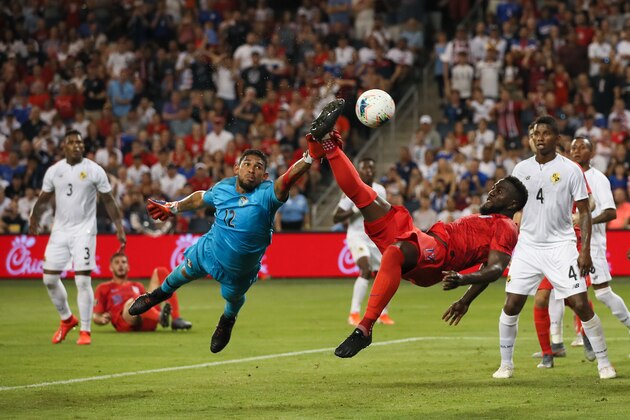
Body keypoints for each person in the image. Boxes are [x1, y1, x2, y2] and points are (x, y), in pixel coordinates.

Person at [127, 99, 346, 353]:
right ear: (236, 168)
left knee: (232, 300)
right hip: (208, 250)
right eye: (247, 164)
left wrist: (309, 158)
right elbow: (201, 197)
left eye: (258, 167)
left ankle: (227, 320)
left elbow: (287, 179)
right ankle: (155, 297)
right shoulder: (223, 187)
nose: (252, 170)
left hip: (239, 270)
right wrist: (173, 207)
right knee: (177, 277)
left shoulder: (267, 194)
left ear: (264, 175)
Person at [309, 130, 528, 359]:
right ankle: (329, 147)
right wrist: (465, 301)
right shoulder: (489, 219)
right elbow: (488, 268)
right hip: (426, 239)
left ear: (512, 203)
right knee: (364, 195)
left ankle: (364, 327)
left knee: (395, 251)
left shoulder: (506, 226)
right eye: (494, 187)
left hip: (438, 254)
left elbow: (494, 269)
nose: (492, 191)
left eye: (499, 191)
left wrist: (464, 280)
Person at [496, 115, 616, 380]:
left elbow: (584, 211)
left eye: (546, 133)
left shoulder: (571, 169)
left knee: (581, 304)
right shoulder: (520, 169)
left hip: (561, 246)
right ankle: (506, 364)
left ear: (556, 139)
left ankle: (604, 362)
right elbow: (514, 210)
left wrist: (583, 251)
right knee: (512, 304)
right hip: (528, 246)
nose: (540, 138)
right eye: (535, 133)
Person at [29, 130, 126, 345]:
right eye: (71, 142)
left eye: (79, 142)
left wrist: (119, 226)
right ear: (64, 147)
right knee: (49, 279)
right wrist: (34, 216)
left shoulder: (94, 170)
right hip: (60, 231)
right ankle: (67, 319)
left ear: (84, 146)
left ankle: (85, 330)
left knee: (82, 279)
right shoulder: (55, 171)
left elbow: (108, 200)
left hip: (85, 231)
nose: (76, 146)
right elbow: (44, 197)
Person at [570, 137, 630, 340]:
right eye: (573, 148)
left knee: (602, 292)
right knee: (565, 292)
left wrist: (585, 221)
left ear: (592, 153)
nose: (577, 150)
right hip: (569, 243)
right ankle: (582, 335)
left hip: (592, 243)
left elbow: (611, 213)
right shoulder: (567, 176)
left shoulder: (598, 179)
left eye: (582, 147)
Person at [333, 157, 394, 327]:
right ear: (358, 171)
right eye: (364, 169)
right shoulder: (351, 190)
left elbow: (385, 211)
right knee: (366, 270)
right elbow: (336, 217)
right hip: (357, 236)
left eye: (371, 168)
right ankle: (354, 313)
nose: (368, 171)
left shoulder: (380, 190)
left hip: (375, 238)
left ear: (374, 172)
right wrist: (354, 209)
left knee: (388, 273)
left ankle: (383, 314)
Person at [93, 253, 192, 332]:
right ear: (111, 267)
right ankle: (160, 317)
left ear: (128, 267)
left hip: (147, 319)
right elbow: (96, 316)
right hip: (126, 322)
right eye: (117, 262)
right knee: (134, 301)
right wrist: (101, 319)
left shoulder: (137, 285)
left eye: (123, 262)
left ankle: (176, 319)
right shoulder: (103, 288)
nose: (120, 265)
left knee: (160, 271)